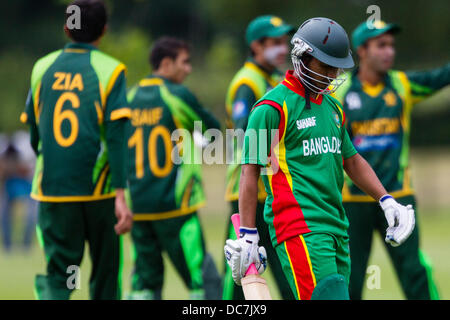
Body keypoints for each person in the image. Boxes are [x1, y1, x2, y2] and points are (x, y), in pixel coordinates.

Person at [224, 17, 415, 300]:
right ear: (302, 57)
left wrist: (386, 200)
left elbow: (351, 160)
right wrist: (249, 234)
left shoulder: (333, 106)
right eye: (325, 65)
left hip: (337, 226)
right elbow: (249, 171)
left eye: (336, 66)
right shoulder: (270, 108)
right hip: (299, 227)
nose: (332, 74)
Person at [20, 0, 133, 299]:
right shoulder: (111, 69)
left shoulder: (42, 67)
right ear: (104, 30)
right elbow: (117, 136)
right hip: (99, 192)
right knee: (104, 275)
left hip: (53, 189)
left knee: (63, 276)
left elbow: (34, 132)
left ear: (67, 27)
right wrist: (121, 193)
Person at [332, 20, 449, 300]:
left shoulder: (401, 85)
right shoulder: (340, 92)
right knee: (349, 277)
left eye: (392, 45)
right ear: (362, 50)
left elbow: (439, 77)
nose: (389, 52)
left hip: (398, 195)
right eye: (381, 45)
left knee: (414, 272)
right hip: (352, 201)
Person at [125, 37, 222, 300]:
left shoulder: (128, 97)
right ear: (166, 64)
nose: (189, 69)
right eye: (185, 62)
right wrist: (196, 137)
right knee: (203, 281)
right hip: (176, 207)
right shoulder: (176, 95)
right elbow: (214, 132)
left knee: (144, 287)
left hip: (138, 208)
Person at [223, 15, 295, 300]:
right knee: (241, 274)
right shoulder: (247, 82)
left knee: (285, 268)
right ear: (256, 45)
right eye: (275, 42)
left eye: (284, 42)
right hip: (249, 191)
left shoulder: (273, 80)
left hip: (272, 193)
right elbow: (245, 136)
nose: (283, 48)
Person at [0, 131, 37, 252]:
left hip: (28, 184)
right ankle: (7, 245)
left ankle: (26, 245)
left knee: (32, 215)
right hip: (11, 185)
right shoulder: (5, 154)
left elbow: (28, 171)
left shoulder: (28, 154)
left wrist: (18, 168)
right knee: (3, 213)